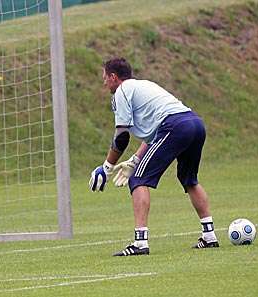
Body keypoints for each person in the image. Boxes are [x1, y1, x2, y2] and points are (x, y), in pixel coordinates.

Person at [89, 57, 219, 256]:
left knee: (138, 179)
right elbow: (154, 135)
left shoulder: (122, 92)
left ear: (114, 77)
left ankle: (140, 243)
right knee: (188, 179)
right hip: (194, 123)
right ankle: (210, 236)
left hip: (175, 126)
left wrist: (106, 167)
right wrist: (134, 160)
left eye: (105, 77)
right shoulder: (144, 85)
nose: (104, 82)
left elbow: (121, 137)